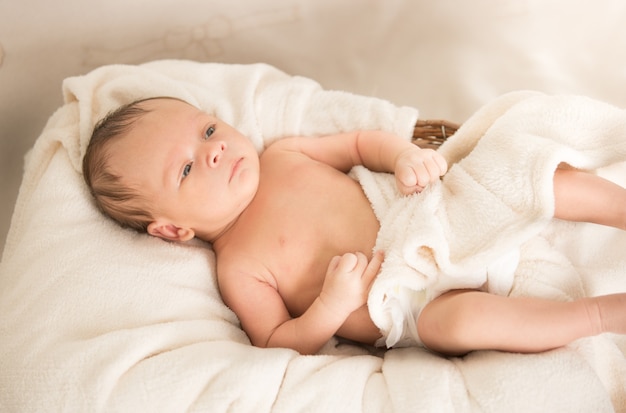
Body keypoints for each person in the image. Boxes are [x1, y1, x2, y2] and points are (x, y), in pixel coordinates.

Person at [82, 97, 626, 356]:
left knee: (526, 173)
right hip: (409, 299)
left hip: (435, 215)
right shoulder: (238, 267)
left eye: (206, 130)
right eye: (185, 168)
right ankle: (599, 315)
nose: (216, 151)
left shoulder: (283, 155)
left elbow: (359, 145)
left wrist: (404, 156)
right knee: (458, 327)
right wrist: (329, 306)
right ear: (172, 230)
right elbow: (278, 340)